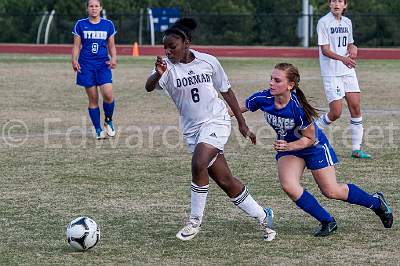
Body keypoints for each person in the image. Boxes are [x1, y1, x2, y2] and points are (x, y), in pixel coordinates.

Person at [144, 18, 276, 241]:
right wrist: (157, 73)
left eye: (172, 46)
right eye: (165, 47)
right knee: (225, 181)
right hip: (192, 130)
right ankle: (264, 215)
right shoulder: (166, 68)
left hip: (216, 121)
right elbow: (148, 87)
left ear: (186, 43)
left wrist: (242, 124)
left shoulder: (209, 61)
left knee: (198, 163)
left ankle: (194, 221)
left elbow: (227, 91)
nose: (167, 51)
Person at [241, 62, 393, 236]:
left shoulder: (298, 108)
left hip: (313, 146)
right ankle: (327, 220)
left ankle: (376, 202)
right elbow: (238, 108)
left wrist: (288, 145)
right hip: (290, 149)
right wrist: (216, 114)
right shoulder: (263, 98)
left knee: (331, 191)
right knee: (289, 186)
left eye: (277, 80)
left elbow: (310, 139)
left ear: (290, 85)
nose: (271, 83)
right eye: (271, 79)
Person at [315, 0, 371, 158]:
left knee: (355, 107)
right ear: (329, 4)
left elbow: (350, 44)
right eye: (333, 1)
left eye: (340, 1)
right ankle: (311, 130)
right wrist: (343, 59)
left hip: (347, 71)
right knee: (336, 113)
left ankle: (356, 149)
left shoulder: (347, 22)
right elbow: (325, 50)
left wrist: (354, 48)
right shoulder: (323, 22)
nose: (336, 4)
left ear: (345, 5)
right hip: (331, 73)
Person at [72, 0, 117, 140]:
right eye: (91, 6)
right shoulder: (80, 24)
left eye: (96, 6)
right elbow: (76, 46)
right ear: (87, 9)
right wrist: (74, 60)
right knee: (93, 98)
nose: (94, 8)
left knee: (108, 95)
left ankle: (108, 120)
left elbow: (112, 46)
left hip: (103, 64)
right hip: (86, 65)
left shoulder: (108, 24)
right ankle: (98, 129)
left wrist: (114, 58)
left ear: (101, 8)